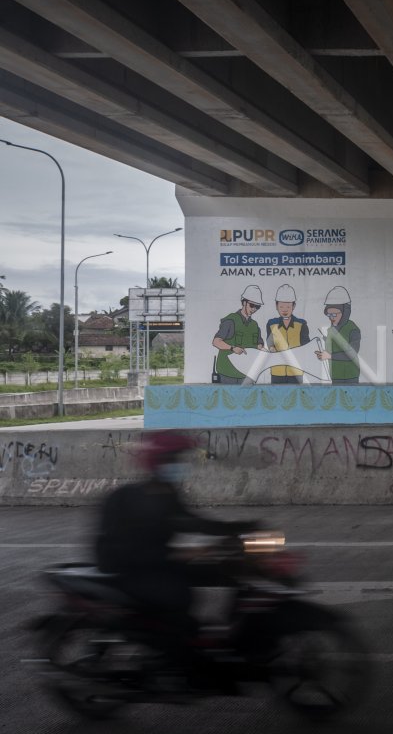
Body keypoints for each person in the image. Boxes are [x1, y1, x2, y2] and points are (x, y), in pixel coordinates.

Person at [94, 431, 259, 678]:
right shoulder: (130, 499)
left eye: (180, 459)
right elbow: (128, 550)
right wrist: (178, 555)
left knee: (225, 572)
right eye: (173, 459)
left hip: (157, 562)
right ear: (157, 462)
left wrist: (239, 528)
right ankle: (180, 658)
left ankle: (221, 642)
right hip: (130, 568)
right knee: (179, 595)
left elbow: (192, 522)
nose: (179, 465)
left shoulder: (167, 493)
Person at [211, 284, 265, 384]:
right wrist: (232, 348)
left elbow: (258, 343)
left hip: (246, 374)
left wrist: (260, 347)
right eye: (252, 305)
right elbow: (216, 342)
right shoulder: (230, 320)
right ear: (244, 302)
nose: (254, 309)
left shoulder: (254, 325)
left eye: (257, 307)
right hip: (228, 373)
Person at [315, 285, 361, 384]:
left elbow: (351, 353)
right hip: (335, 374)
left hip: (349, 375)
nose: (331, 317)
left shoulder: (353, 329)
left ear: (345, 312)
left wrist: (329, 356)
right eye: (329, 314)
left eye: (335, 314)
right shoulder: (331, 330)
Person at [265, 284, 310, 384]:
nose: (284, 309)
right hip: (277, 370)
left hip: (296, 370)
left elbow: (306, 345)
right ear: (276, 306)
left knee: (296, 397)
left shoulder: (301, 324)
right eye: (281, 306)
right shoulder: (272, 324)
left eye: (288, 306)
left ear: (293, 306)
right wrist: (272, 348)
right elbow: (269, 342)